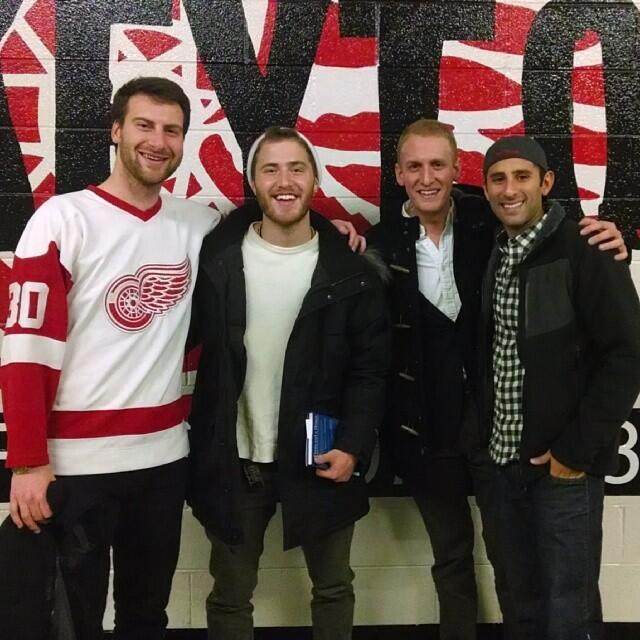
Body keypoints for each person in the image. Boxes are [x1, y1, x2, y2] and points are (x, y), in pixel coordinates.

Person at [367, 119, 627, 640]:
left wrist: (602, 230)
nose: (426, 177)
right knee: (498, 581)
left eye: (437, 164)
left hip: (533, 446)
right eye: (414, 166)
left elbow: (623, 352)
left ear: (458, 172)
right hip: (451, 440)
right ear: (398, 173)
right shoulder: (383, 242)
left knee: (567, 595)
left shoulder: (499, 226)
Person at [0, 76, 220, 640]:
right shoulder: (61, 220)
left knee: (147, 616)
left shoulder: (197, 224)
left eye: (172, 130)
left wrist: (330, 226)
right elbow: (26, 351)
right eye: (144, 125)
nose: (158, 141)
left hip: (164, 461)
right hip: (76, 467)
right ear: (116, 130)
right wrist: (27, 461)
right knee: (73, 621)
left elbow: (273, 229)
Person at [187, 126, 391, 640]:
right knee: (230, 596)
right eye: (270, 169)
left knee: (333, 587)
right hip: (237, 460)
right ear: (253, 183)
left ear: (315, 179)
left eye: (296, 168)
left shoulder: (350, 270)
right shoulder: (215, 261)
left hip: (321, 456)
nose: (284, 181)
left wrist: (352, 445)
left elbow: (370, 370)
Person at [479, 135, 640, 640]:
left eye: (522, 177)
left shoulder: (588, 249)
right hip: (502, 466)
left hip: (563, 472)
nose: (510, 190)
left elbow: (627, 356)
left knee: (569, 612)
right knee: (519, 605)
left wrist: (573, 452)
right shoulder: (496, 251)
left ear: (546, 183)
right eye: (498, 179)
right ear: (484, 189)